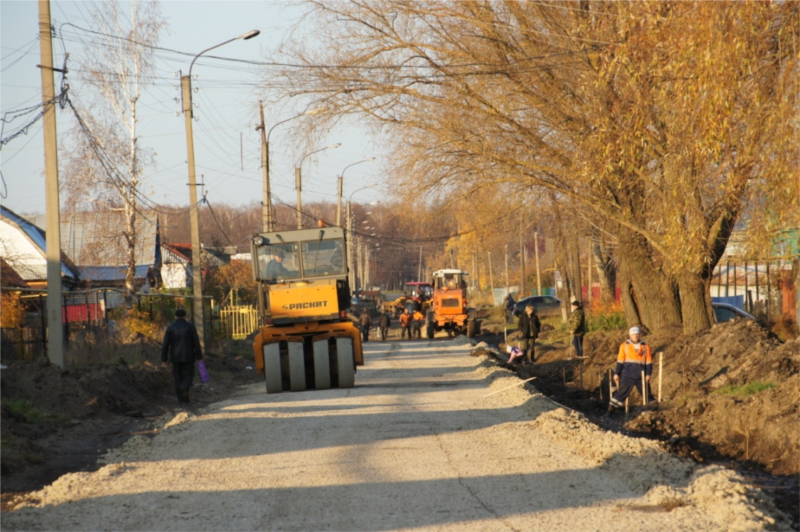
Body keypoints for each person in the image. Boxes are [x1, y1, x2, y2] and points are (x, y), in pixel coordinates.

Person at [607, 327, 653, 416]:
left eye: (637, 334)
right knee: (621, 393)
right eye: (633, 334)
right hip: (627, 374)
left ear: (639, 335)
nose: (636, 336)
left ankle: (652, 411)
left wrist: (648, 374)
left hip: (641, 375)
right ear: (630, 335)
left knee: (647, 394)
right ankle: (609, 412)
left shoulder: (645, 347)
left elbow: (649, 362)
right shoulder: (624, 346)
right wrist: (616, 373)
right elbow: (620, 361)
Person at [161, 308, 203, 404]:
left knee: (177, 377)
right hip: (189, 356)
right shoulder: (190, 326)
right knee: (188, 375)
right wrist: (199, 356)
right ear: (185, 316)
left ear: (175, 316)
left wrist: (164, 359)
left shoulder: (170, 327)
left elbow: (166, 344)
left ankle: (181, 399)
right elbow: (196, 342)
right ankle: (185, 387)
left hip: (175, 357)